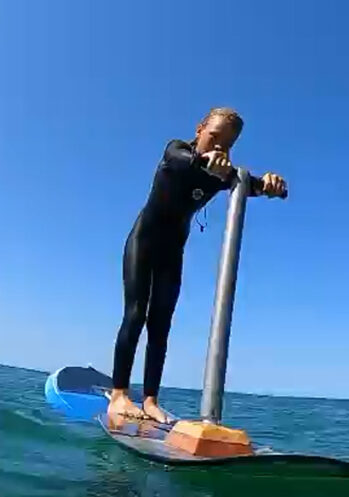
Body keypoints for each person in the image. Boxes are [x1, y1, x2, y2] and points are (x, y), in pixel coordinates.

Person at [108, 107, 288, 424]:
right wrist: (205, 162)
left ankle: (150, 400)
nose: (217, 147)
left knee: (161, 324)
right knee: (136, 313)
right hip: (143, 242)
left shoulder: (221, 176)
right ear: (200, 128)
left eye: (226, 145)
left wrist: (271, 185)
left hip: (173, 251)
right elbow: (180, 159)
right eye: (213, 137)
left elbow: (252, 185)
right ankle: (119, 394)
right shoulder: (176, 149)